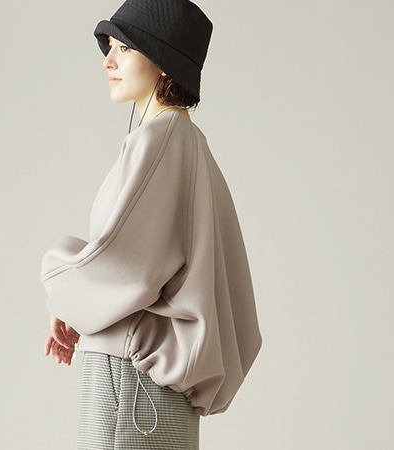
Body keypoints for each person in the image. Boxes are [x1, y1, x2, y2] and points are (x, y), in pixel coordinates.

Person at [40, 0, 262, 448]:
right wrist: (82, 304)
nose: (108, 60)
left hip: (130, 386)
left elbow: (124, 266)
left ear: (163, 61)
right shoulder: (187, 142)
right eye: (111, 46)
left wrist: (61, 285)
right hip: (152, 392)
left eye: (124, 48)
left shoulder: (161, 139)